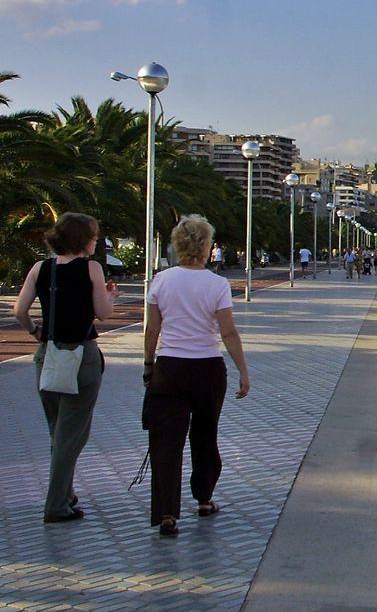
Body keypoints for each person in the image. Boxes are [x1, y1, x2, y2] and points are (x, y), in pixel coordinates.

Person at [142, 215, 250, 537]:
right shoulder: (217, 285)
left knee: (166, 443)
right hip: (207, 369)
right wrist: (243, 371)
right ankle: (204, 498)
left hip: (169, 369)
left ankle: (166, 513)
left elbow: (152, 329)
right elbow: (228, 332)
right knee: (205, 435)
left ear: (177, 245)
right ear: (206, 247)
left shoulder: (161, 281)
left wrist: (149, 365)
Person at [13, 213, 120, 523]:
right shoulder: (92, 269)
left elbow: (19, 310)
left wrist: (36, 330)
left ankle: (67, 494)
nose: (96, 240)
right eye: (94, 235)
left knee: (58, 432)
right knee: (72, 435)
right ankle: (57, 505)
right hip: (81, 356)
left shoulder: (40, 268)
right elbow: (102, 313)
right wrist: (110, 297)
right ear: (82, 239)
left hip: (48, 355)